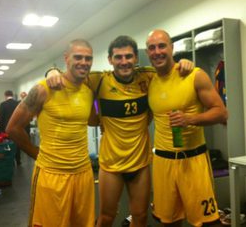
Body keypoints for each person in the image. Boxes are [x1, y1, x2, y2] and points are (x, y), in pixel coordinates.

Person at [46, 35, 194, 227]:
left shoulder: (147, 76)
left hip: (140, 165)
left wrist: (184, 62)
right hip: (111, 166)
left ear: (136, 58)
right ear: (110, 60)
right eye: (118, 57)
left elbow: (168, 70)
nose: (124, 62)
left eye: (128, 56)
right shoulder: (99, 80)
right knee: (107, 217)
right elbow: (72, 75)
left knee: (140, 216)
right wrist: (52, 71)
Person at [6, 39, 96, 227]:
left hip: (83, 173)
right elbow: (13, 128)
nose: (84, 62)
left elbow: (93, 119)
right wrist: (35, 153)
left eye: (88, 58)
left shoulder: (89, 91)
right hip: (52, 174)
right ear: (66, 58)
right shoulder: (43, 89)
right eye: (78, 57)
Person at [146, 29, 228, 227]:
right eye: (152, 47)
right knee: (168, 221)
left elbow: (221, 112)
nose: (157, 51)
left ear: (172, 47)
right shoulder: (148, 81)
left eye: (162, 45)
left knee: (208, 222)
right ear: (147, 52)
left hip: (193, 160)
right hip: (163, 162)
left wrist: (190, 119)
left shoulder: (194, 75)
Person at [0, 90, 20, 165]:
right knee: (17, 144)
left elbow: (1, 118)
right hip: (16, 128)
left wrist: (1, 130)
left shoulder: (3, 104)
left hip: (6, 129)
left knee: (7, 145)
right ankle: (18, 161)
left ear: (5, 95)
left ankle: (9, 161)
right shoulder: (18, 103)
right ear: (12, 95)